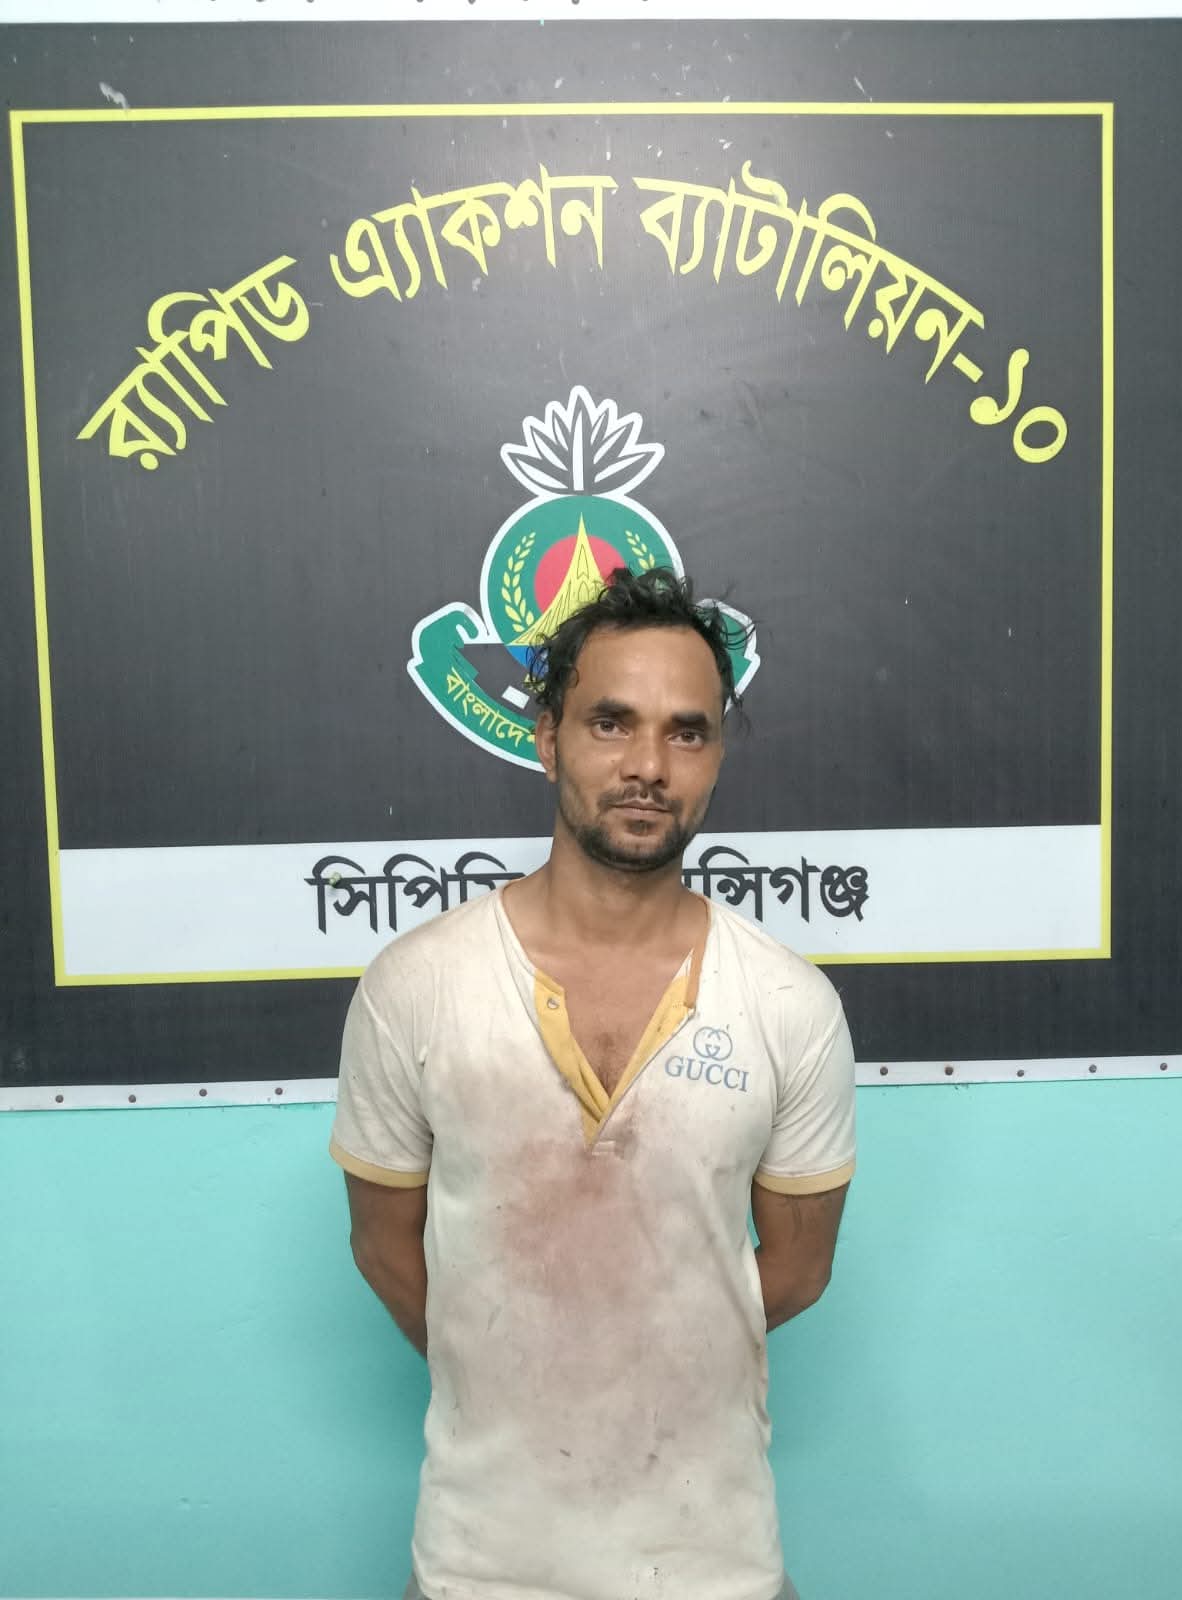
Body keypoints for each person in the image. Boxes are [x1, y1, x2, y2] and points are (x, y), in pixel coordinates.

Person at [331, 567, 857, 1600]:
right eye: (611, 723)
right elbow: (385, 1246)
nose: (648, 765)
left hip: (717, 1568)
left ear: (715, 758)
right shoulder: (416, 985)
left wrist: (633, 1351)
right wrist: (520, 1363)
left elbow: (797, 1269)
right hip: (478, 1569)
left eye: (687, 732)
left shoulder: (789, 1003)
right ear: (547, 739)